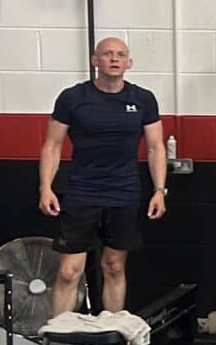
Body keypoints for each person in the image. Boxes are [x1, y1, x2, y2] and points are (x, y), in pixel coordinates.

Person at [37, 37, 167, 317]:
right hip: (82, 191)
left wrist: (159, 190)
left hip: (124, 191)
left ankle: (114, 340)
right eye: (107, 54)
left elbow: (156, 147)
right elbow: (52, 145)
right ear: (94, 61)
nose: (114, 59)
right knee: (69, 271)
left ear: (128, 63)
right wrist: (45, 187)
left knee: (114, 266)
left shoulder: (142, 99)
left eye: (120, 55)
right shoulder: (73, 98)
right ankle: (59, 344)